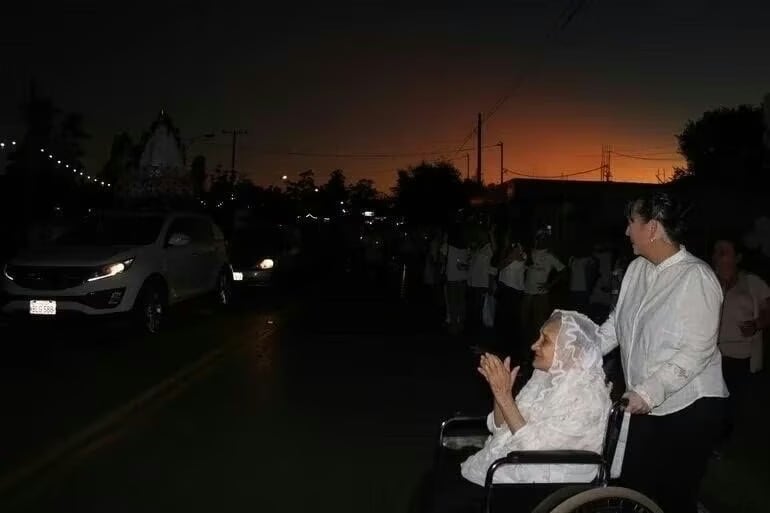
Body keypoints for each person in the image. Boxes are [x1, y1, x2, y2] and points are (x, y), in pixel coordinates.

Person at [595, 192, 727, 513]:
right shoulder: (637, 269)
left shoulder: (696, 277)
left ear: (652, 228)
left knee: (674, 495)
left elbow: (697, 349)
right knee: (633, 484)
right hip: (643, 402)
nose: (627, 232)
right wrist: (580, 351)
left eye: (632, 223)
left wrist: (648, 393)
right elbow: (618, 323)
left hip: (688, 407)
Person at [424, 310, 611, 513]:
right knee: (434, 485)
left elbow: (534, 449)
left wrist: (505, 396)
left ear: (569, 350)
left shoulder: (587, 396)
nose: (534, 345)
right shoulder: (545, 377)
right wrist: (501, 396)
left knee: (445, 499)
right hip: (514, 460)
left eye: (544, 340)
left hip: (542, 477)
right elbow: (501, 428)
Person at [712, 235, 770, 445]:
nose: (718, 256)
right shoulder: (707, 279)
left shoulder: (752, 282)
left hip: (739, 355)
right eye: (716, 251)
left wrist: (756, 324)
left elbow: (767, 310)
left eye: (724, 252)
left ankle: (721, 442)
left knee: (729, 402)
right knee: (710, 400)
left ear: (737, 258)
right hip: (709, 352)